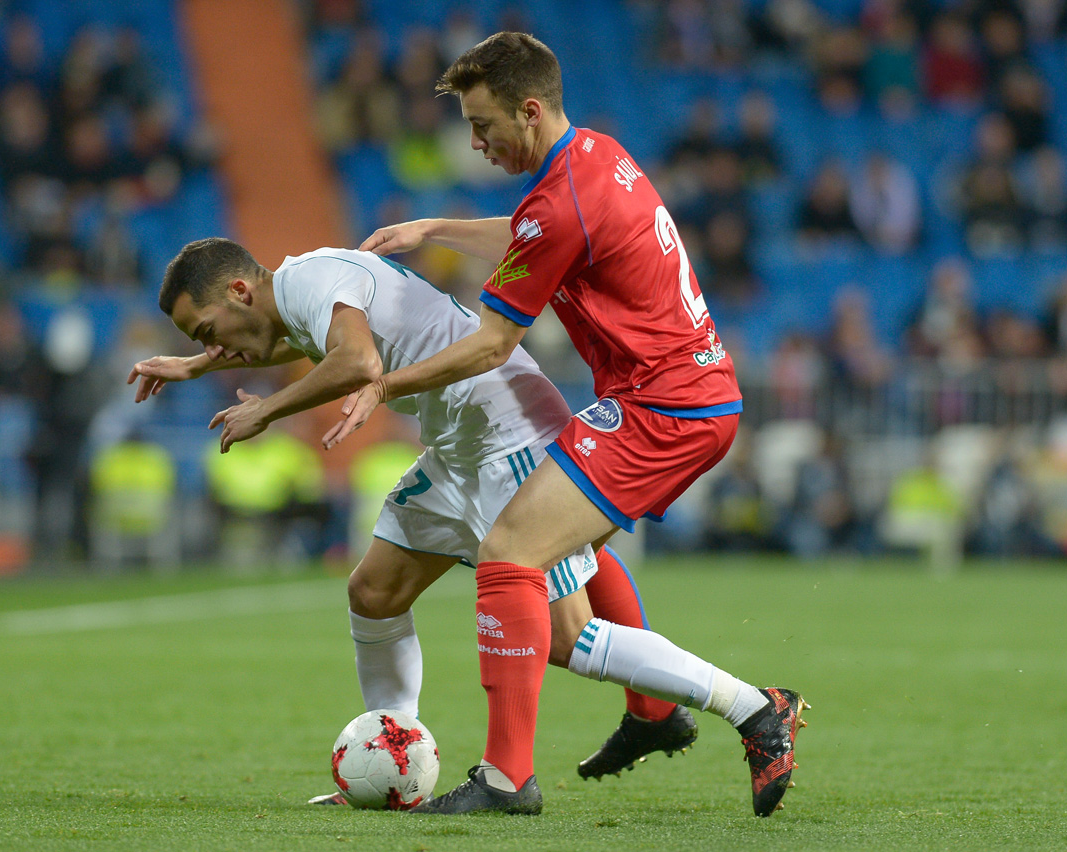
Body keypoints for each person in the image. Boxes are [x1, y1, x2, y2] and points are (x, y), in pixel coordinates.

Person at [328, 32, 808, 817]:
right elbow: (535, 236)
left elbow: (490, 343)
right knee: (559, 559)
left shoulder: (563, 200)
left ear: (528, 108)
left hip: (664, 407)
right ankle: (653, 714)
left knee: (512, 555)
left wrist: (384, 385)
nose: (476, 142)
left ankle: (515, 778)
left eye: (483, 125)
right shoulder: (591, 155)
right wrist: (436, 230)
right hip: (681, 396)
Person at [128, 238, 700, 805]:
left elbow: (356, 362)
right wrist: (197, 364)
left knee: (569, 634)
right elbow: (300, 345)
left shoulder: (310, 282)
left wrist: (266, 410)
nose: (215, 345)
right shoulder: (299, 289)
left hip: (504, 430)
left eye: (207, 331)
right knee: (374, 591)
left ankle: (743, 704)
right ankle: (393, 757)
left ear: (238, 291)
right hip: (463, 440)